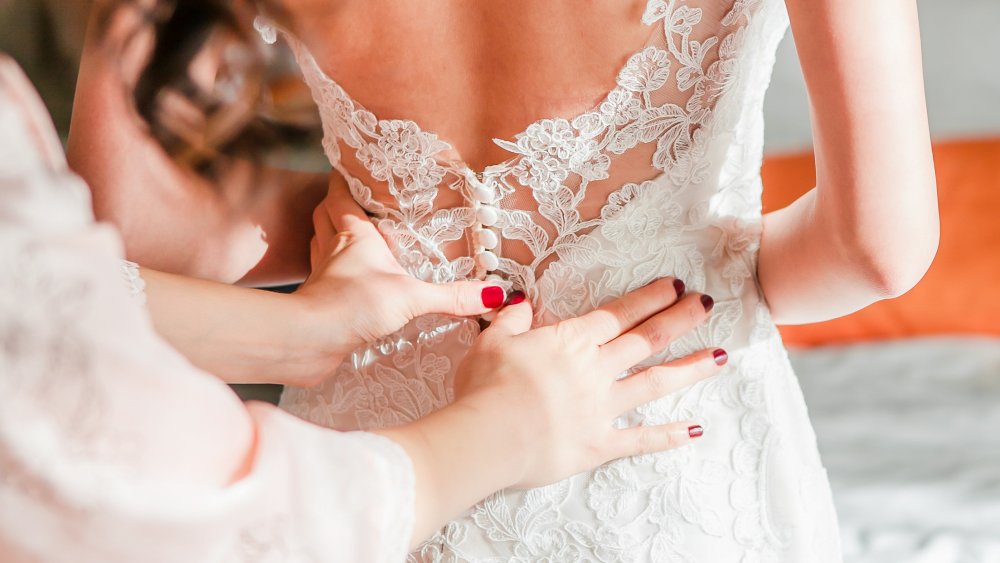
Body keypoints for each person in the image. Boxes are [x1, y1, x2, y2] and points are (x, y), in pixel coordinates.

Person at [70, 0, 940, 561]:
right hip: (668, 457)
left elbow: (122, 230)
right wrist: (698, 271)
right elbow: (877, 245)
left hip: (383, 475)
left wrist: (382, 218)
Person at [0, 49, 729, 561]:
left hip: (364, 406)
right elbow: (851, 248)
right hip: (652, 411)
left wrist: (312, 314)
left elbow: (110, 238)